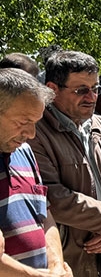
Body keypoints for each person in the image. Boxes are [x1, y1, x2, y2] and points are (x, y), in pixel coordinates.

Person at [28, 50, 101, 277]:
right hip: (71, 262)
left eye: (95, 89)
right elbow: (52, 196)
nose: (92, 97)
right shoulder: (35, 131)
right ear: (52, 90)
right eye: (81, 90)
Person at [0, 68, 72, 276]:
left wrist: (57, 266)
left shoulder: (24, 151)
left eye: (35, 123)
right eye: (23, 122)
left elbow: (44, 215)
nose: (31, 134)